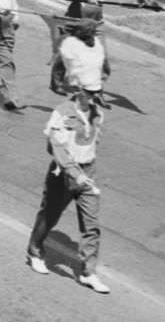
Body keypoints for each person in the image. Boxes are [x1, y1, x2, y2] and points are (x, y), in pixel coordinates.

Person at [26, 81, 110, 294]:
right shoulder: (62, 113)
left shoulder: (97, 113)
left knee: (91, 225)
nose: (93, 97)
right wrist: (75, 173)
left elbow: (93, 143)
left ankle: (88, 272)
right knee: (50, 216)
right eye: (89, 93)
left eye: (96, 93)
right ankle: (35, 250)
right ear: (79, 91)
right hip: (62, 175)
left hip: (88, 173)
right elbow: (57, 148)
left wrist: (85, 172)